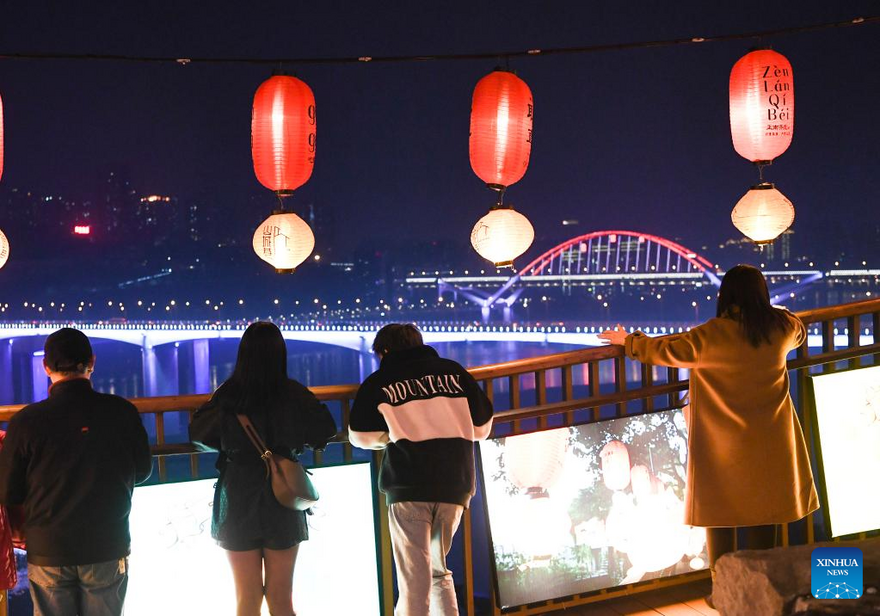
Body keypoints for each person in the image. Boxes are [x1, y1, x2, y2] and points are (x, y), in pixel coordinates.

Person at [598, 264, 819, 594]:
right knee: (764, 515)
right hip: (771, 441)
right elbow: (799, 329)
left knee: (719, 514)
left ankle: (725, 591)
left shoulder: (709, 335)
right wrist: (779, 312)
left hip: (722, 445)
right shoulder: (781, 327)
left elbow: (662, 351)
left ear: (726, 296)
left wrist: (629, 341)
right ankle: (762, 593)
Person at [0, 327, 152, 616]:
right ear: (92, 361)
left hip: (48, 548)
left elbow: (8, 490)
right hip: (107, 544)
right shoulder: (122, 412)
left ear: (46, 367)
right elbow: (143, 470)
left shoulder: (26, 422)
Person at [189, 321, 337, 616]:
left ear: (243, 356)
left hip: (238, 494)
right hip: (282, 495)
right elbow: (325, 429)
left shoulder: (228, 396)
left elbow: (199, 435)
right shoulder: (293, 393)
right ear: (280, 354)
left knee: (247, 600)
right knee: (282, 600)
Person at [349, 323, 494, 616]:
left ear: (385, 351)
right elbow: (481, 428)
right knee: (439, 571)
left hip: (409, 485)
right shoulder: (454, 372)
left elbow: (359, 436)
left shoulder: (381, 381)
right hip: (456, 485)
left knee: (414, 583)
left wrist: (392, 433)